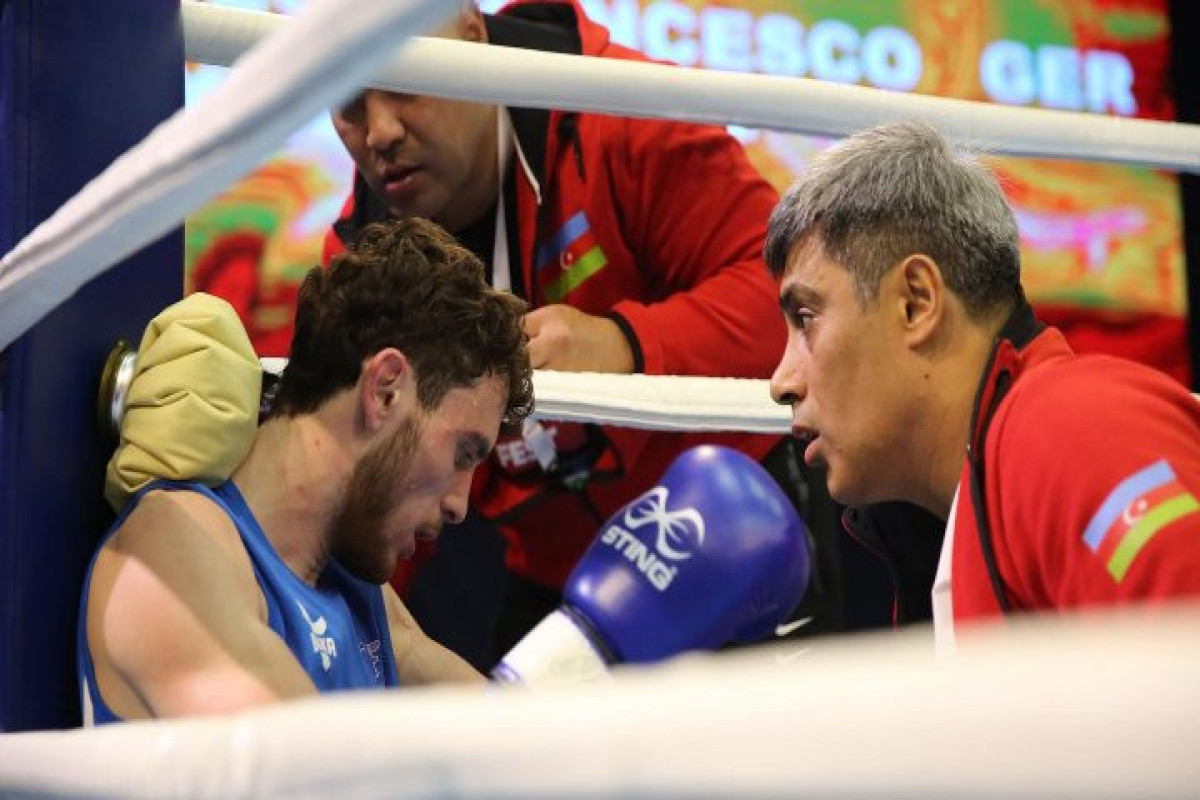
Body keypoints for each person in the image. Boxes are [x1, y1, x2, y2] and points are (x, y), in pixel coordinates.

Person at [319, 0, 846, 659]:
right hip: (561, 577)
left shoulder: (621, 111)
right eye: (347, 106)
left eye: (406, 82)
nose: (380, 132)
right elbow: (375, 487)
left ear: (474, 40)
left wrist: (625, 344)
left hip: (736, 528)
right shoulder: (361, 257)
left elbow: (790, 295)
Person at [79, 218, 534, 721]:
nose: (459, 504)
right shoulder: (174, 543)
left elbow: (511, 736)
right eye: (463, 454)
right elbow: (301, 773)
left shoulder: (360, 590)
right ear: (384, 390)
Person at [766, 120, 1200, 644]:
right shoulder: (953, 516)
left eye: (806, 317)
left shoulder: (1069, 425)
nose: (781, 381)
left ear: (916, 303)